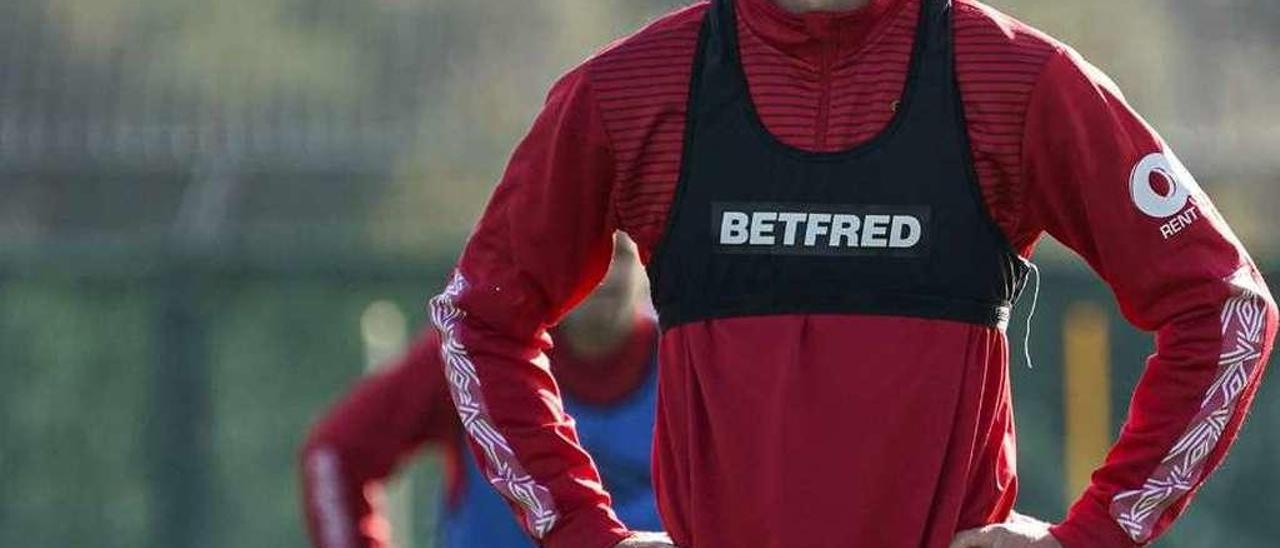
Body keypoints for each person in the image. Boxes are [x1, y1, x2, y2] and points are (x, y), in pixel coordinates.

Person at [426, 0, 1277, 547]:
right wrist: (584, 531)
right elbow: (480, 319)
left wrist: (1092, 537)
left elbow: (1227, 310)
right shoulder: (636, 90)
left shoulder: (1012, 78)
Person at [300, 237, 662, 548]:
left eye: (620, 255)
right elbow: (335, 454)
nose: (603, 275)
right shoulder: (474, 349)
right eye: (587, 253)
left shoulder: (689, 359)